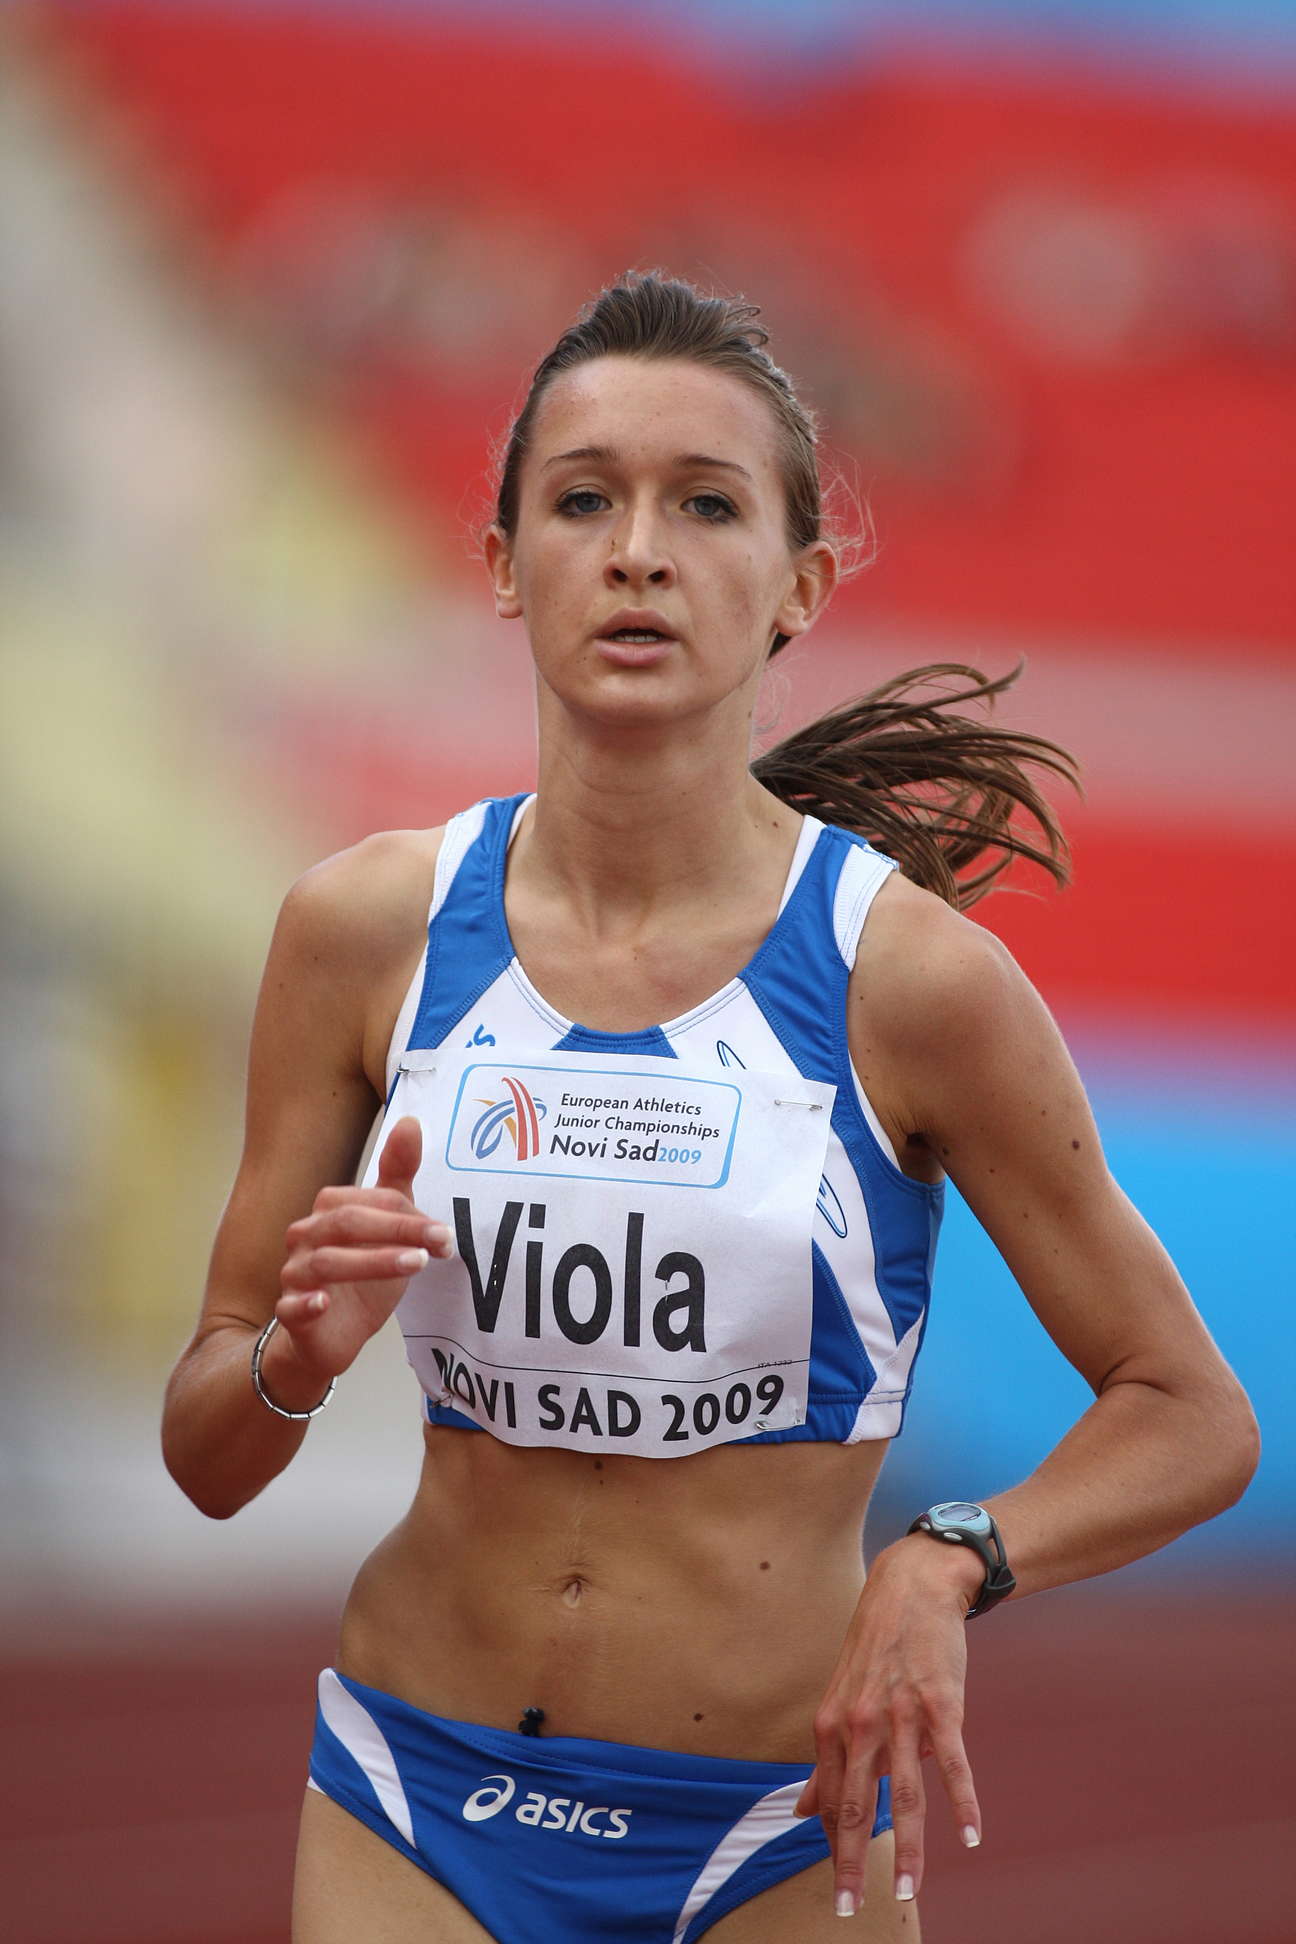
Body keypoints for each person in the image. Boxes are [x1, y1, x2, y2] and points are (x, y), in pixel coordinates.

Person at [162, 273, 1258, 1944]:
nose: (637, 552)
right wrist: (293, 1363)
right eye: (582, 501)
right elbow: (208, 1455)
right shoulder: (363, 931)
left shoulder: (912, 983)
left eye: (706, 504)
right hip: (415, 1798)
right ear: (502, 562)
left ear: (798, 583)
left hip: (775, 1831)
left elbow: (1190, 1412)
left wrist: (947, 1556)